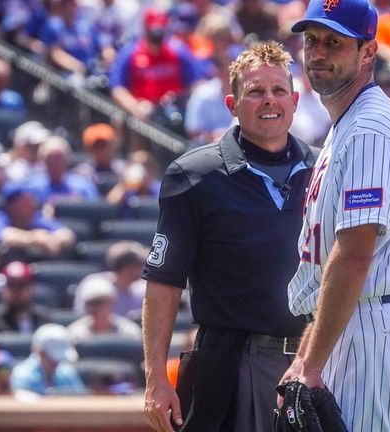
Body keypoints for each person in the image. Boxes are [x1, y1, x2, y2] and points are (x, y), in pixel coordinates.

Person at [141, 41, 317, 432]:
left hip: (319, 363)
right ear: (231, 104)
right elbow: (164, 283)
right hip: (233, 369)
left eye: (278, 91)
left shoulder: (327, 169)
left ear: (295, 99)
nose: (268, 100)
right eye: (255, 92)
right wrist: (155, 378)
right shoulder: (193, 175)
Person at [280, 1, 390, 430]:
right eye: (311, 41)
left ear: (368, 52)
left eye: (335, 42)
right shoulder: (352, 122)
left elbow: (354, 256)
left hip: (370, 323)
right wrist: (305, 357)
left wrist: (311, 363)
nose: (317, 53)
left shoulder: (369, 129)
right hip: (365, 321)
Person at [0, 261, 51, 347]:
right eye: (11, 285)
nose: (16, 291)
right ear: (4, 289)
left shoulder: (43, 319)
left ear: (31, 288)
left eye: (20, 286)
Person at [11, 323, 85, 396]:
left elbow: (80, 400)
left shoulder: (67, 372)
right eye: (52, 357)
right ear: (40, 352)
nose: (56, 362)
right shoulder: (23, 376)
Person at [67, 278, 142, 343]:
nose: (94, 307)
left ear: (111, 303)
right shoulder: (75, 333)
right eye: (90, 303)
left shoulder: (129, 331)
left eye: (99, 302)